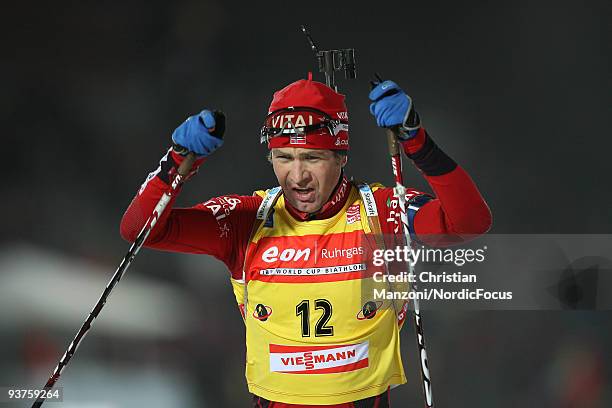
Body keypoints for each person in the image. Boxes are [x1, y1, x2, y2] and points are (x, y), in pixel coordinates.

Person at [120, 74, 492, 407]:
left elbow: (470, 223)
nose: (297, 175)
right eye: (284, 157)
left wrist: (417, 142)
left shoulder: (381, 210)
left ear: (341, 155)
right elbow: (139, 230)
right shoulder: (246, 219)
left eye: (312, 158)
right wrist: (177, 161)